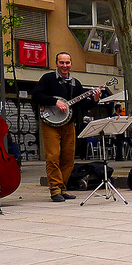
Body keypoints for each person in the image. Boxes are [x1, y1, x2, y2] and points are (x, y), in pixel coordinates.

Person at [33, 52, 100, 202]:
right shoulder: (48, 79)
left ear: (71, 63)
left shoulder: (75, 83)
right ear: (56, 63)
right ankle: (55, 189)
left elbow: (83, 104)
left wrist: (95, 99)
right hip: (51, 123)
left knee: (68, 158)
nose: (64, 66)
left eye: (67, 63)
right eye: (62, 63)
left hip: (69, 124)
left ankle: (63, 188)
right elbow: (36, 96)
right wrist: (54, 102)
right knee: (53, 156)